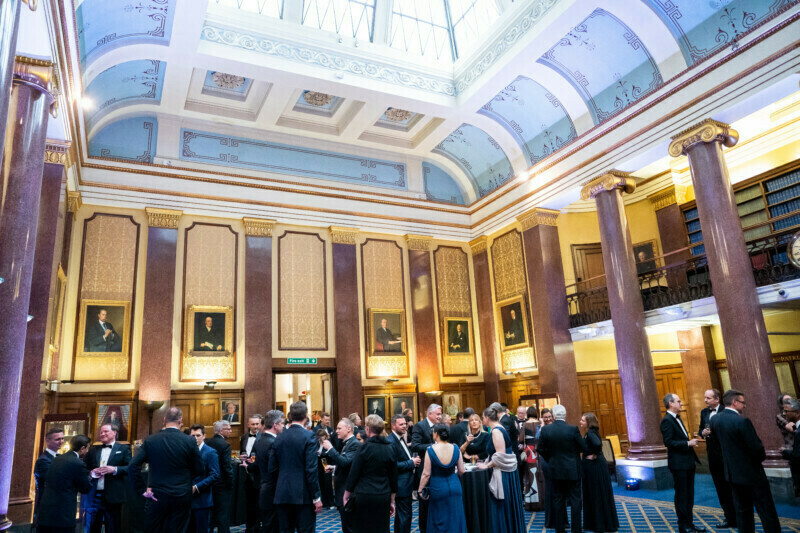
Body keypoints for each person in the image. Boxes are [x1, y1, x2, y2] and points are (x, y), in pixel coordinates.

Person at [711, 389, 781, 533]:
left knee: (742, 511)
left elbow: (717, 446)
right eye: (743, 402)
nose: (745, 406)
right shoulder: (742, 421)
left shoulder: (715, 420)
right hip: (752, 474)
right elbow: (756, 448)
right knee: (766, 510)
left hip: (732, 474)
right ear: (734, 402)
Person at [129, 407, 203, 533]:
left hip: (156, 494)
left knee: (154, 529)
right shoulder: (190, 440)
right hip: (181, 494)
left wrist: (141, 490)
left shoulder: (151, 440)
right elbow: (199, 469)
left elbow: (132, 466)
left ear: (164, 420)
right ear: (181, 420)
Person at [268, 401, 322, 533]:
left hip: (282, 493)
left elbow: (272, 468)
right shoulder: (309, 436)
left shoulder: (279, 437)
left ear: (290, 416)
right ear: (306, 416)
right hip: (303, 495)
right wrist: (316, 497)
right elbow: (311, 470)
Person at [344, 414, 398, 533]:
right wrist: (392, 501)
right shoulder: (390, 448)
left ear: (367, 429)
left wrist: (346, 494)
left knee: (363, 528)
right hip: (383, 495)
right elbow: (393, 477)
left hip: (364, 495)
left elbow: (354, 474)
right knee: (381, 528)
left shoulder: (363, 448)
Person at [536, 404, 585, 533]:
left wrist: (550, 459)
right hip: (572, 470)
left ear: (553, 415)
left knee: (558, 500)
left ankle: (560, 529)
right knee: (575, 500)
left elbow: (539, 449)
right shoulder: (573, 429)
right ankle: (576, 530)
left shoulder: (546, 430)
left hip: (555, 470)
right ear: (565, 414)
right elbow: (583, 447)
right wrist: (573, 453)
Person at [478, 404, 525, 533]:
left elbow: (500, 456)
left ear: (487, 418)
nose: (482, 420)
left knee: (502, 506)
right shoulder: (498, 428)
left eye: (482, 417)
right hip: (506, 472)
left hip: (503, 474)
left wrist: (486, 465)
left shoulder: (496, 431)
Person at [660, 394, 703, 533]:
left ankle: (690, 524)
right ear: (671, 403)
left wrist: (688, 443)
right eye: (678, 401)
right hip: (679, 464)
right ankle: (683, 525)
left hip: (688, 462)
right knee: (682, 496)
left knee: (689, 495)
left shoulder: (677, 418)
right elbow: (668, 442)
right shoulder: (666, 420)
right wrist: (687, 443)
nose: (681, 403)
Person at [37, 435, 93, 533]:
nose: (88, 451)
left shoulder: (57, 459)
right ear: (82, 448)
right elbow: (85, 488)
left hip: (47, 512)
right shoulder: (78, 463)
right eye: (88, 448)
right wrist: (91, 476)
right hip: (63, 515)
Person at [418, 423, 467, 533]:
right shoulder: (455, 448)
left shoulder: (430, 450)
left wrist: (420, 490)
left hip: (438, 487)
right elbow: (462, 470)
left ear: (435, 434)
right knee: (455, 517)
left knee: (439, 518)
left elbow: (426, 474)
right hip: (455, 486)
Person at [698, 389, 736, 528]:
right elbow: (700, 430)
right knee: (721, 489)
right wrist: (703, 433)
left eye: (708, 398)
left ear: (717, 399)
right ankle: (729, 517)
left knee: (733, 487)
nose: (705, 400)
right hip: (713, 457)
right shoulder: (704, 412)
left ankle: (740, 516)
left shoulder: (726, 412)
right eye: (705, 398)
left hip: (728, 455)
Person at [84, 423, 131, 533]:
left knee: (113, 527)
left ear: (114, 433)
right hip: (94, 495)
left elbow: (130, 468)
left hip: (113, 496)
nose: (102, 434)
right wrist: (91, 473)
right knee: (92, 527)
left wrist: (114, 469)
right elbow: (83, 468)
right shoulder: (93, 450)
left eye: (105, 431)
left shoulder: (123, 449)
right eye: (101, 432)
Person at [321, 417, 362, 533]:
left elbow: (345, 461)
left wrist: (330, 449)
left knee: (350, 527)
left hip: (348, 492)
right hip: (343, 491)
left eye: (339, 428)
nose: (336, 431)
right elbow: (347, 463)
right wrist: (334, 468)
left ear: (349, 429)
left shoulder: (354, 444)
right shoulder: (346, 443)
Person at [579, 413, 618, 532]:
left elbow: (597, 444)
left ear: (588, 422)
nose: (580, 422)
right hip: (596, 466)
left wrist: (595, 454)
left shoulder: (590, 433)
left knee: (596, 493)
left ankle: (599, 524)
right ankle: (602, 522)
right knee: (599, 493)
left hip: (595, 467)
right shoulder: (591, 432)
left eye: (582, 420)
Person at [411, 403, 442, 533]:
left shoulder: (441, 427)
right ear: (430, 414)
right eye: (438, 414)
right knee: (425, 504)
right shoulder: (420, 426)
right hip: (425, 469)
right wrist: (434, 446)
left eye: (440, 414)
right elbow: (415, 446)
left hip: (440, 470)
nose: (440, 417)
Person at [388, 414, 420, 533]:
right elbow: (392, 466)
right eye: (401, 424)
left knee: (402, 517)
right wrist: (411, 463)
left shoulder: (400, 438)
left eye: (405, 424)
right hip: (400, 485)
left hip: (405, 483)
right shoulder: (391, 441)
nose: (404, 426)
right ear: (393, 426)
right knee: (405, 517)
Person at [254, 410, 284, 533]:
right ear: (275, 425)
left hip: (264, 487)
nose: (284, 426)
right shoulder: (274, 443)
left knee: (268, 524)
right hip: (274, 490)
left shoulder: (260, 441)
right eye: (282, 423)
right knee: (273, 526)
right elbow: (274, 469)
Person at [189, 424, 220, 533]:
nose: (195, 438)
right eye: (193, 436)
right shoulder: (187, 451)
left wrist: (197, 487)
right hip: (187, 500)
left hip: (203, 499)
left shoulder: (210, 452)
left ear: (204, 436)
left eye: (198, 435)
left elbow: (215, 475)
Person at [204, 420, 234, 533]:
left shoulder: (207, 442)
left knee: (210, 514)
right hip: (222, 485)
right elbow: (227, 467)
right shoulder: (225, 445)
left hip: (209, 483)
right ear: (221, 430)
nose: (231, 431)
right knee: (223, 514)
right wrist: (230, 483)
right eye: (229, 429)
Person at [34, 427, 64, 528]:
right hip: (47, 504)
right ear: (48, 440)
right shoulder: (43, 460)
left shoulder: (59, 457)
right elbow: (53, 481)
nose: (61, 442)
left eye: (62, 438)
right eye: (57, 439)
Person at [539, 407, 561, 529]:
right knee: (550, 488)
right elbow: (539, 441)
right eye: (545, 417)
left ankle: (561, 519)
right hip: (547, 461)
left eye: (549, 417)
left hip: (558, 461)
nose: (547, 419)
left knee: (559, 489)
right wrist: (542, 425)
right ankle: (551, 520)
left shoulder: (558, 427)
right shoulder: (541, 428)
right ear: (542, 417)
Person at [240, 414, 263, 533]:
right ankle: (249, 527)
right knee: (248, 503)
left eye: (257, 424)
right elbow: (242, 453)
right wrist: (242, 458)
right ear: (248, 424)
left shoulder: (263, 437)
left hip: (258, 476)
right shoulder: (244, 437)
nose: (255, 427)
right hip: (246, 476)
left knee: (258, 503)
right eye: (253, 424)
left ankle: (258, 527)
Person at [776, 393, 800, 496]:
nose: (785, 413)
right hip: (791, 445)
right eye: (785, 402)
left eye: (790, 401)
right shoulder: (780, 417)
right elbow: (791, 427)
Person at [520, 406, 543, 511]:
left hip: (529, 451)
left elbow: (520, 439)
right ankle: (541, 502)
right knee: (539, 475)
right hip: (539, 451)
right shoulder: (539, 423)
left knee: (530, 476)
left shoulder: (525, 424)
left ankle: (532, 503)